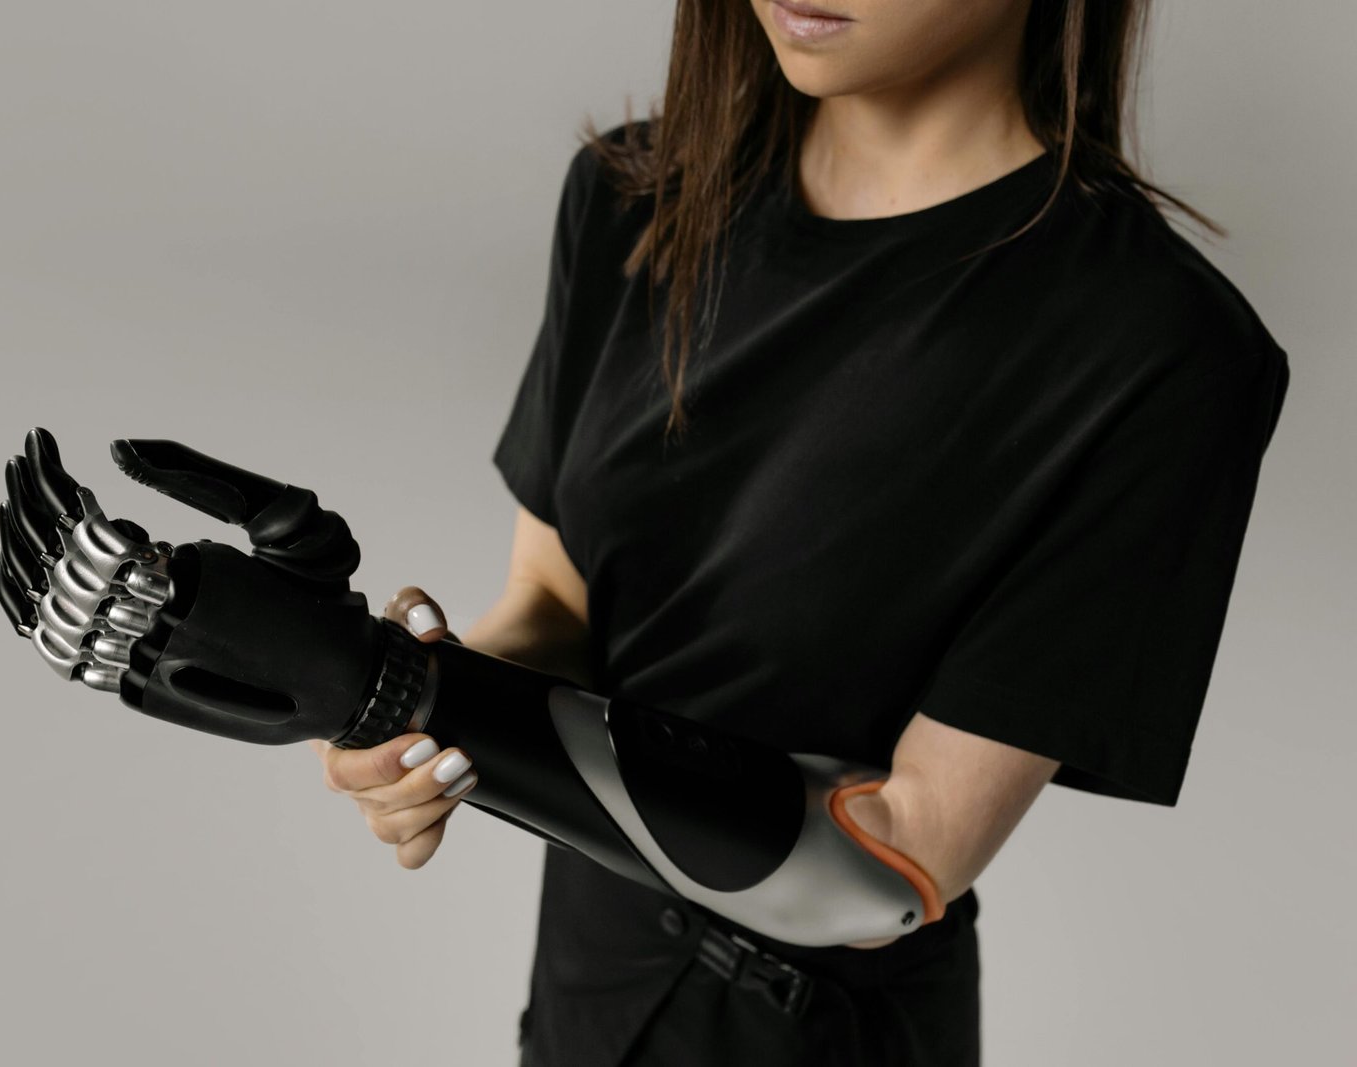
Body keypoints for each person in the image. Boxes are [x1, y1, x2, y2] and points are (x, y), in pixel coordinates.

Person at [310, 0, 1291, 1063]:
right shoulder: (632, 197)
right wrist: (407, 695)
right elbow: (558, 608)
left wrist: (488, 733)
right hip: (584, 1000)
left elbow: (901, 850)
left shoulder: (1153, 346)